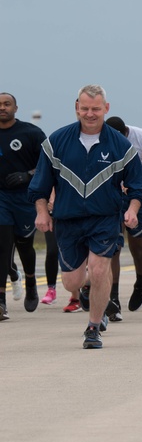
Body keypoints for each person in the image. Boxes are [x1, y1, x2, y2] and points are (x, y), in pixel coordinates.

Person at [27, 85, 142, 348]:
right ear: (76, 108)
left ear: (106, 108)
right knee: (71, 280)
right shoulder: (56, 142)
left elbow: (139, 186)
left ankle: (93, 327)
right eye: (85, 108)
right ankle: (84, 289)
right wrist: (41, 213)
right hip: (68, 219)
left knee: (100, 268)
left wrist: (133, 210)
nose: (90, 114)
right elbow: (38, 186)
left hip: (105, 217)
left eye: (95, 109)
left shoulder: (121, 146)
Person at [105, 116, 142, 319]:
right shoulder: (100, 139)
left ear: (126, 134)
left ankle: (140, 281)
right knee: (113, 248)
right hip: (111, 195)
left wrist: (135, 178)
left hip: (138, 194)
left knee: (137, 247)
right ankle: (113, 299)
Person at [0, 92, 47, 318]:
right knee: (2, 247)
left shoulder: (31, 133)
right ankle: (1, 302)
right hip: (1, 198)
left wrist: (28, 175)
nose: (2, 108)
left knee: (25, 246)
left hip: (25, 198)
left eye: (7, 104)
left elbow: (48, 164)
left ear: (15, 108)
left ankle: (30, 283)